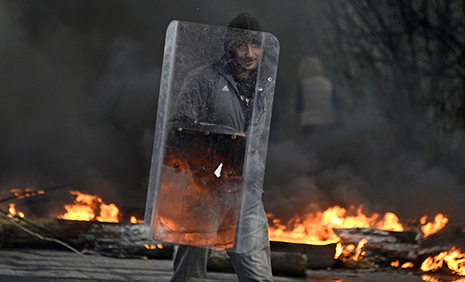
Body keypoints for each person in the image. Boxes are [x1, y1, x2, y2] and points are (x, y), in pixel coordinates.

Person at [168, 13, 275, 282]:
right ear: (230, 46)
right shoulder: (205, 81)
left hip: (246, 193)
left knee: (259, 278)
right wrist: (224, 140)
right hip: (205, 191)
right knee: (188, 277)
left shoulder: (265, 86)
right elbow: (177, 133)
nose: (250, 53)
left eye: (256, 45)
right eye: (242, 45)